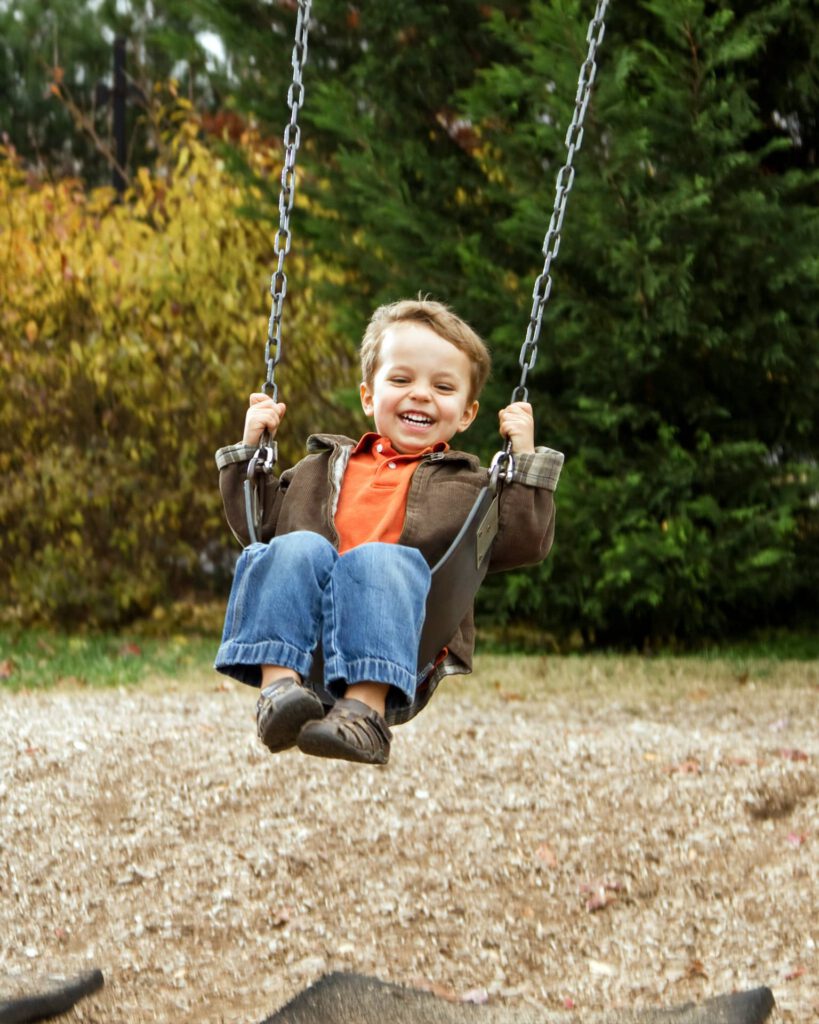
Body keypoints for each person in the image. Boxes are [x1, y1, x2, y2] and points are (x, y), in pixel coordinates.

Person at [214, 298, 563, 765]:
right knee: (293, 547)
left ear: (466, 413)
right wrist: (250, 451)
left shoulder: (470, 487)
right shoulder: (317, 468)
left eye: (443, 386)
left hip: (401, 633)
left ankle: (364, 715)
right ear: (368, 395)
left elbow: (524, 539)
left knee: (379, 558)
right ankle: (280, 692)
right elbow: (257, 526)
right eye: (401, 380)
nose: (420, 394)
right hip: (310, 626)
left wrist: (522, 461)